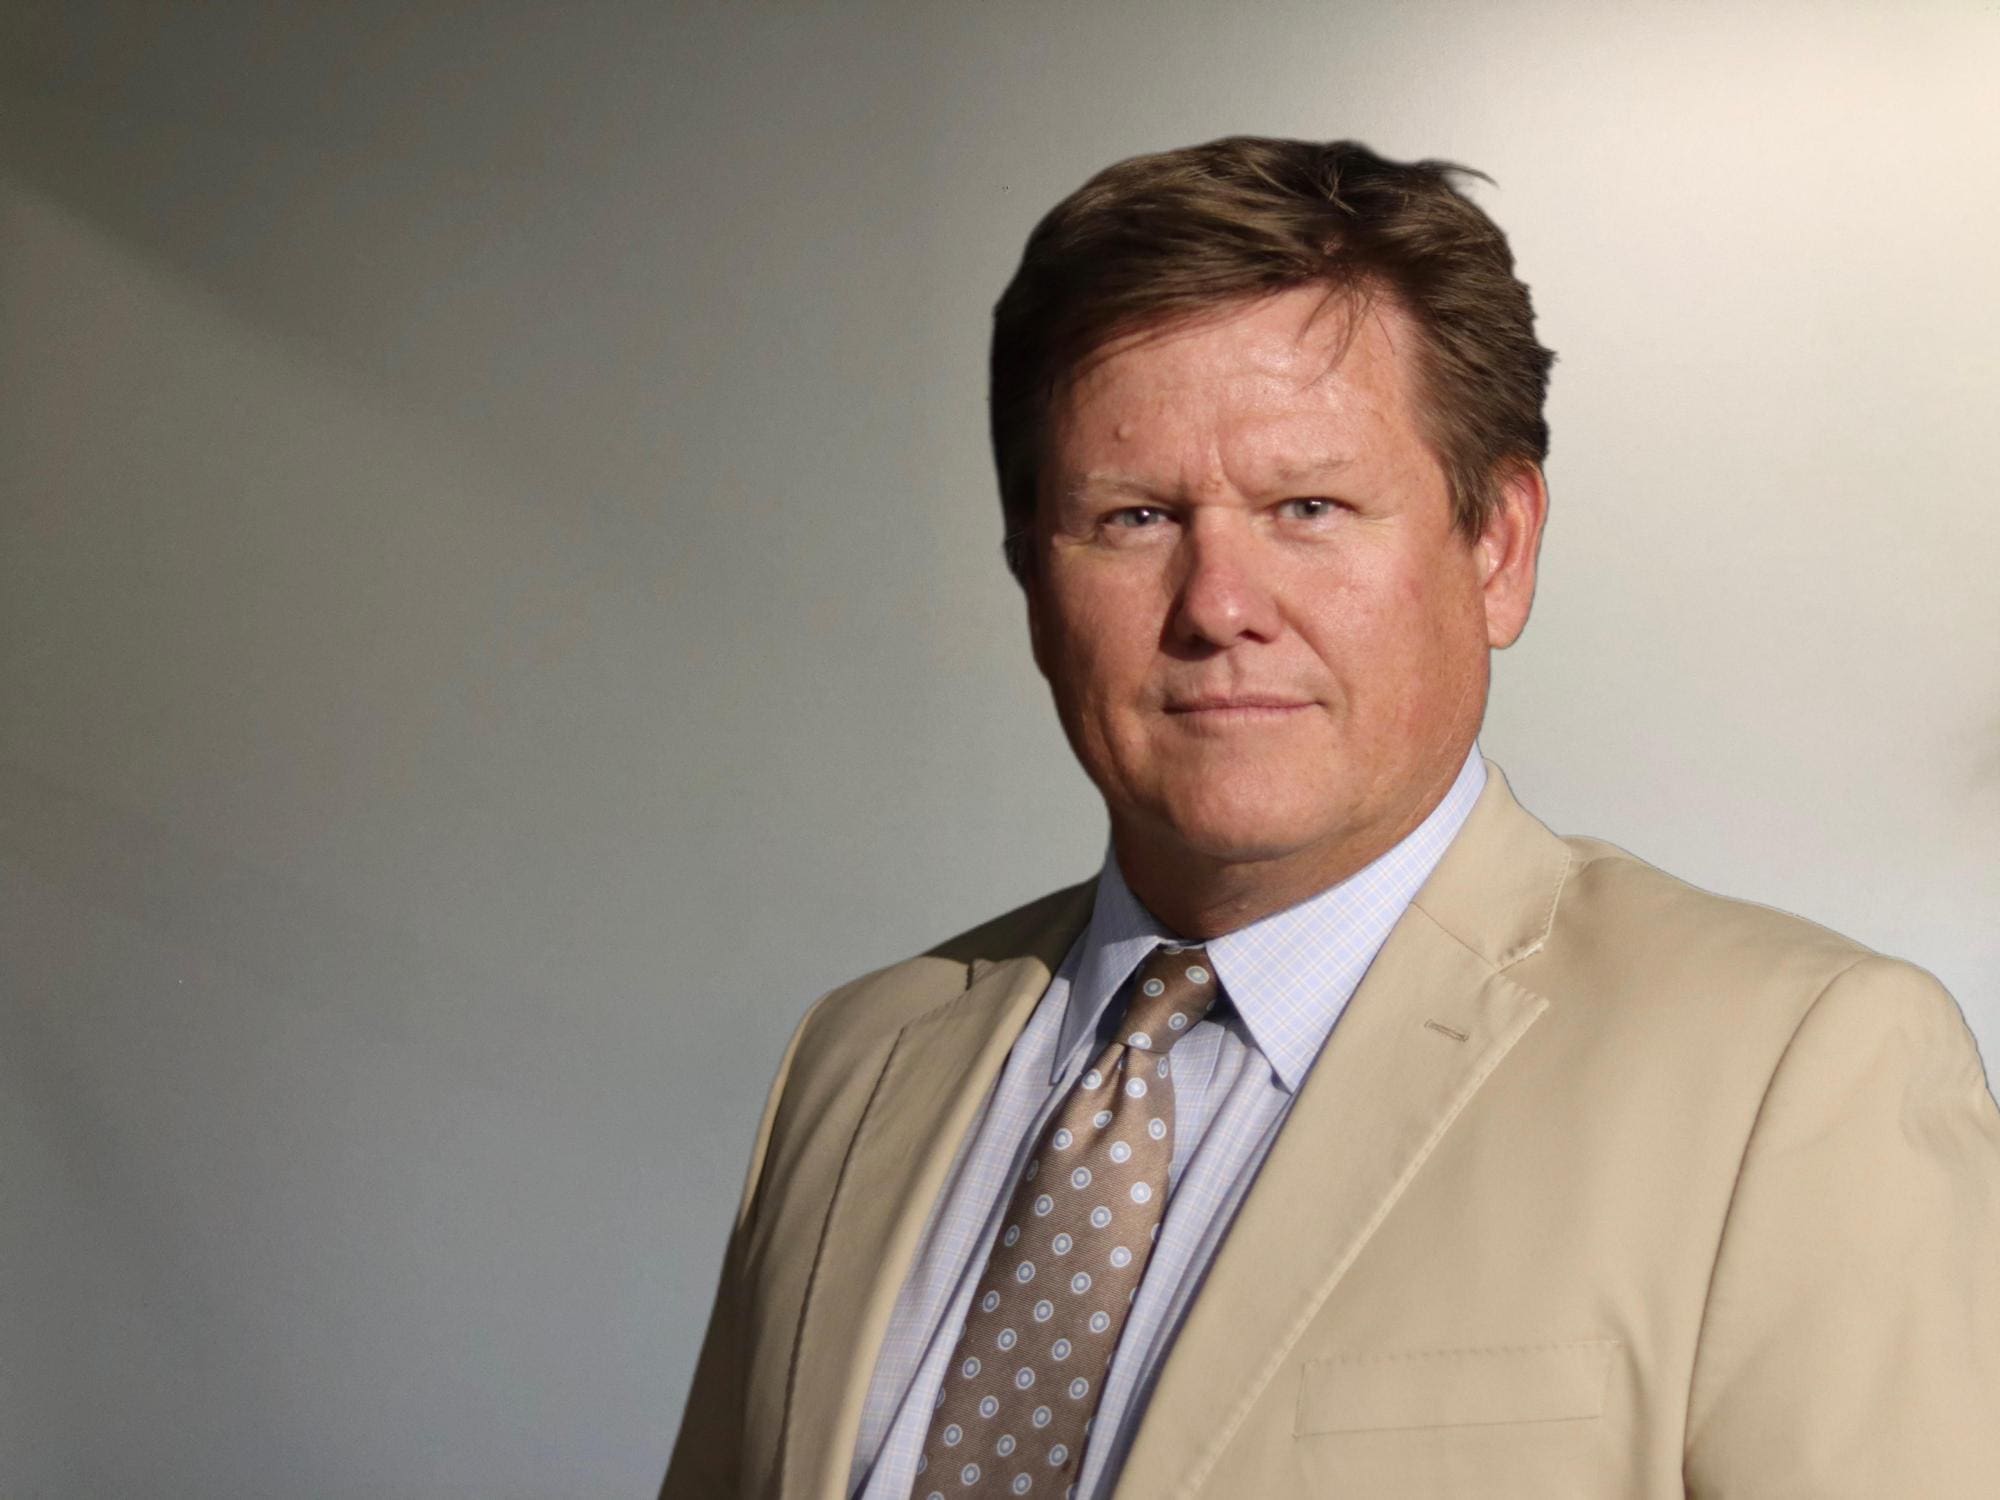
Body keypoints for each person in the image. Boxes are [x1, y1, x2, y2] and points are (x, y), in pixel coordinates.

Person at [661, 137, 2000, 1499]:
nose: (1218, 604)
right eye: (1131, 518)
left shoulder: (1792, 1076)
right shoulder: (861, 1061)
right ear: (1030, 572)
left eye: (1308, 505)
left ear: (1498, 548)